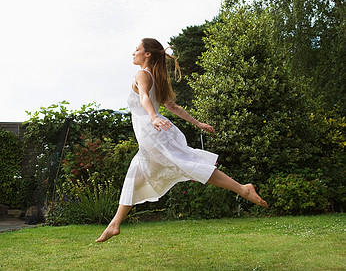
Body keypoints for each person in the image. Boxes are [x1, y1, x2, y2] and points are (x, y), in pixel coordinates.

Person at [96, 38, 268, 243]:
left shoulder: (142, 74)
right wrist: (198, 123)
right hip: (151, 133)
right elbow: (173, 107)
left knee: (186, 163)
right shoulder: (155, 77)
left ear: (147, 54)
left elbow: (144, 98)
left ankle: (242, 189)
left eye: (137, 49)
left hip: (152, 132)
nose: (133, 53)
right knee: (137, 173)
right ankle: (115, 224)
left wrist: (153, 117)